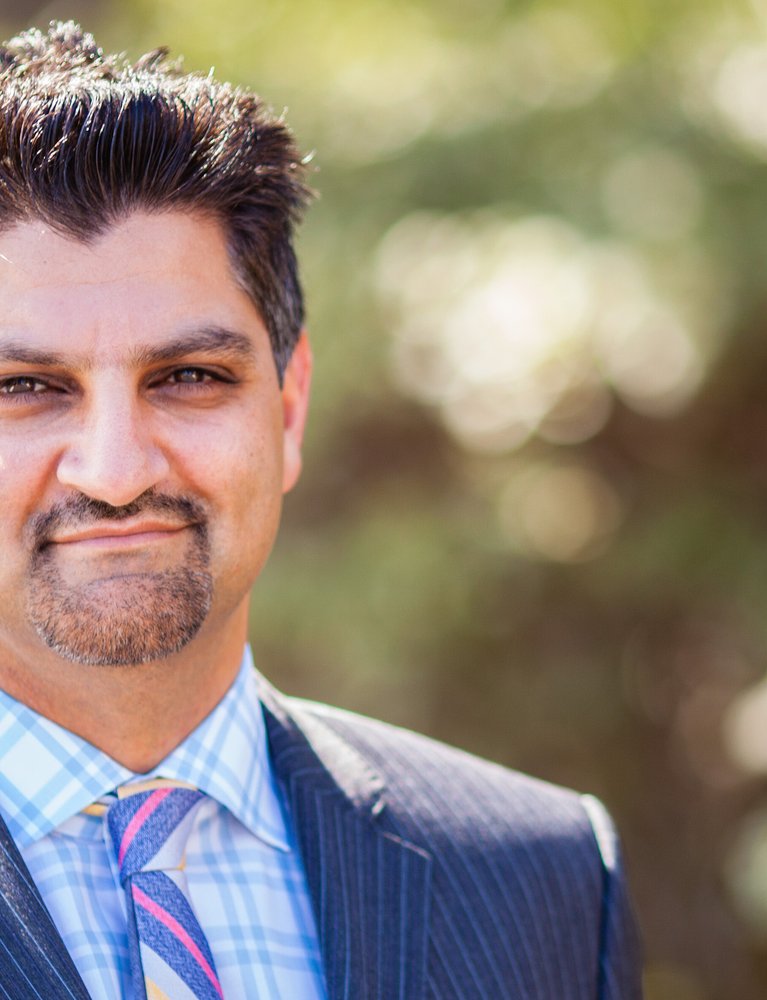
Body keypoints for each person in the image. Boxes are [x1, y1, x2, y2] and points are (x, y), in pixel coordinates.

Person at [0, 20, 641, 1000]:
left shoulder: (545, 883)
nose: (116, 471)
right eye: (26, 389)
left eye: (188, 375)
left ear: (289, 409)